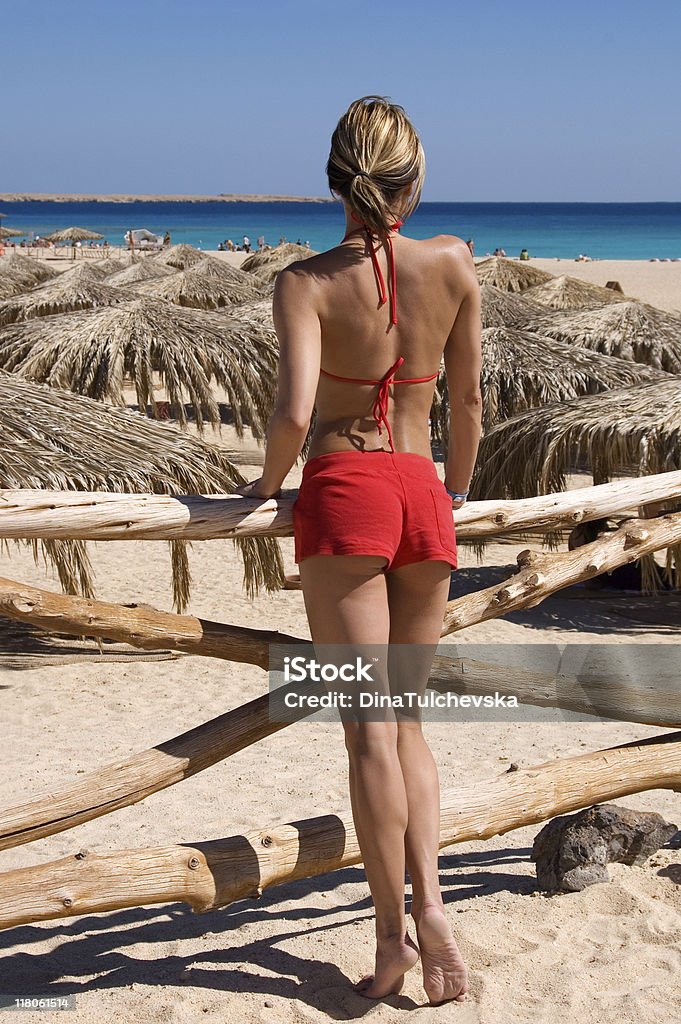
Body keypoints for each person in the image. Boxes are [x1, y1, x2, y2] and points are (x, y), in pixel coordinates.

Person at [235, 96, 482, 1004]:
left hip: (345, 492)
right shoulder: (454, 264)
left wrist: (262, 489)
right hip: (424, 496)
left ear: (335, 179)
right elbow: (468, 406)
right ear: (413, 181)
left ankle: (392, 939)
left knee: (367, 735)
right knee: (411, 727)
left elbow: (296, 416)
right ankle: (438, 906)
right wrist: (453, 492)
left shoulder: (303, 282)